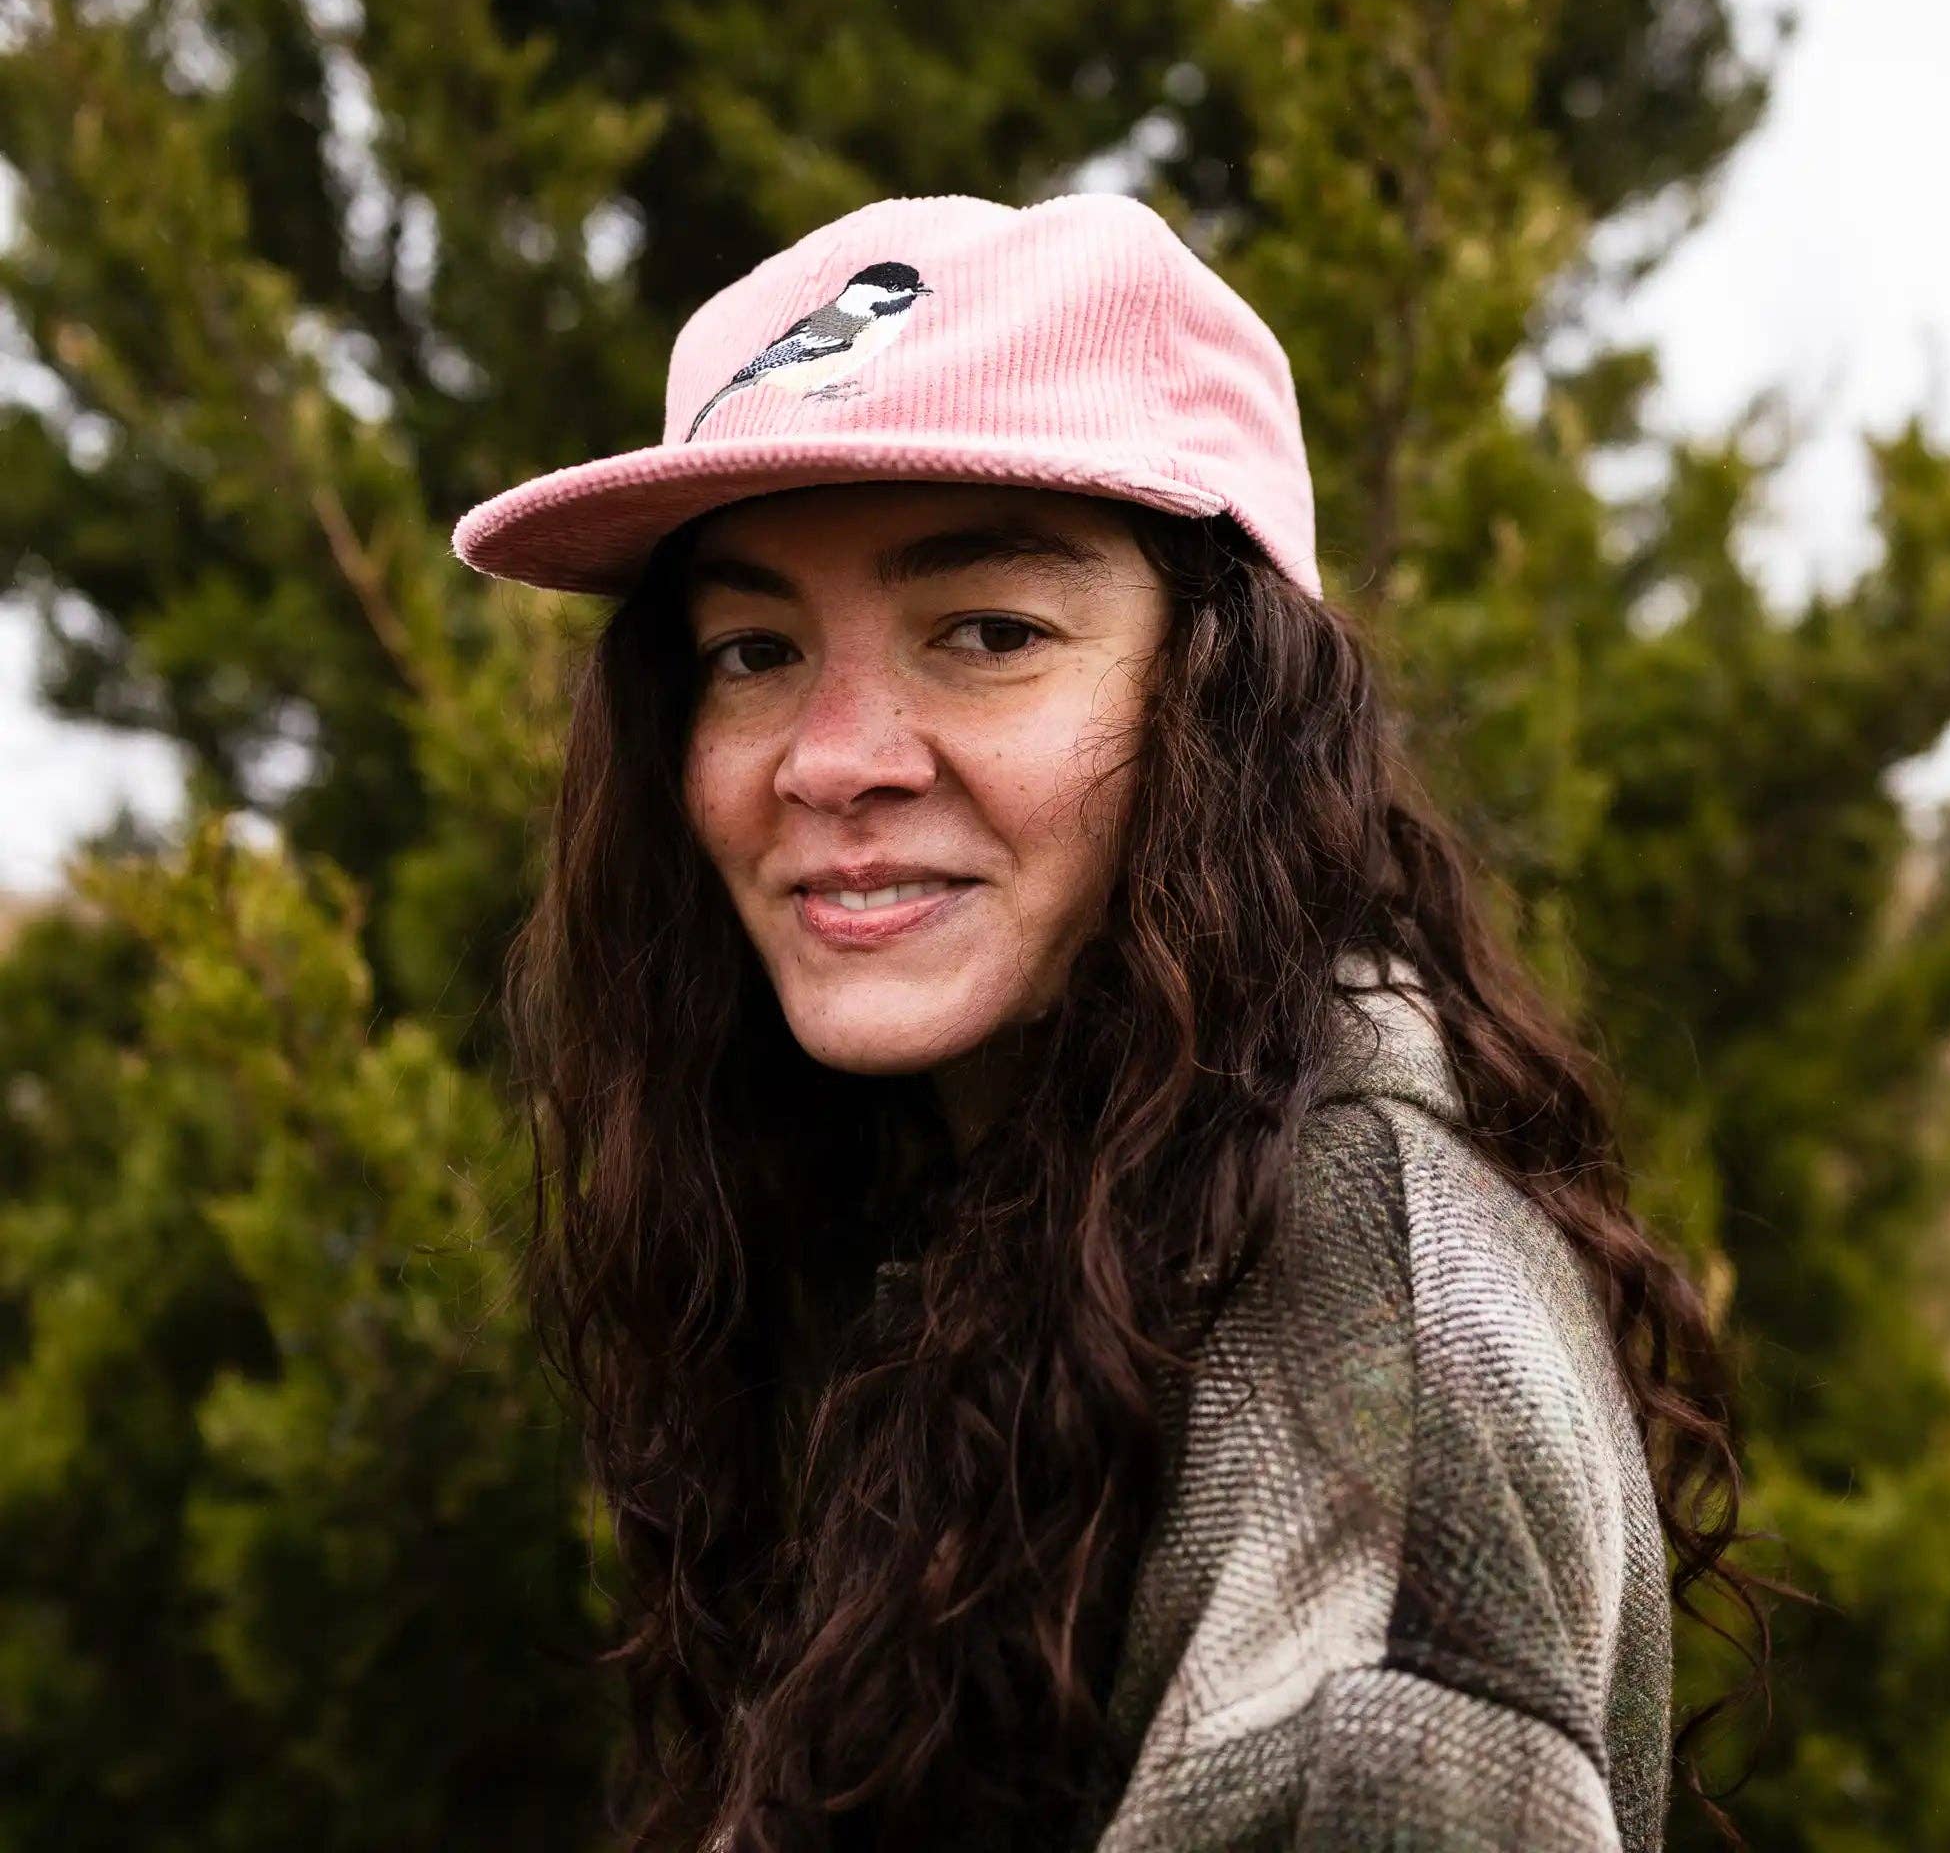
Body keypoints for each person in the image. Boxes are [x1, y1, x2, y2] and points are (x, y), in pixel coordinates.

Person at [450, 193, 1764, 1853]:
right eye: (755, 648)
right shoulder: (991, 1195)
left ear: (1227, 701)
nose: (833, 755)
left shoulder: (1374, 1386)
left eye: (989, 633)